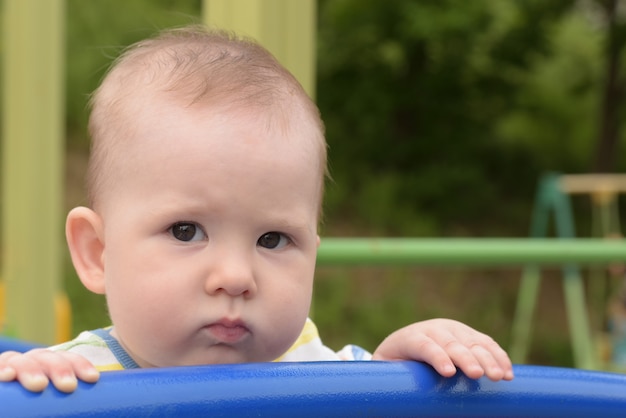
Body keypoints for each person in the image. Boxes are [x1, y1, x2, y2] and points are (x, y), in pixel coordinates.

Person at [0, 25, 514, 393]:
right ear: (97, 254)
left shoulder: (317, 375)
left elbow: (368, 399)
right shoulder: (69, 382)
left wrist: (399, 374)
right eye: (185, 231)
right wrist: (24, 398)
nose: (235, 276)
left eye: (272, 240)